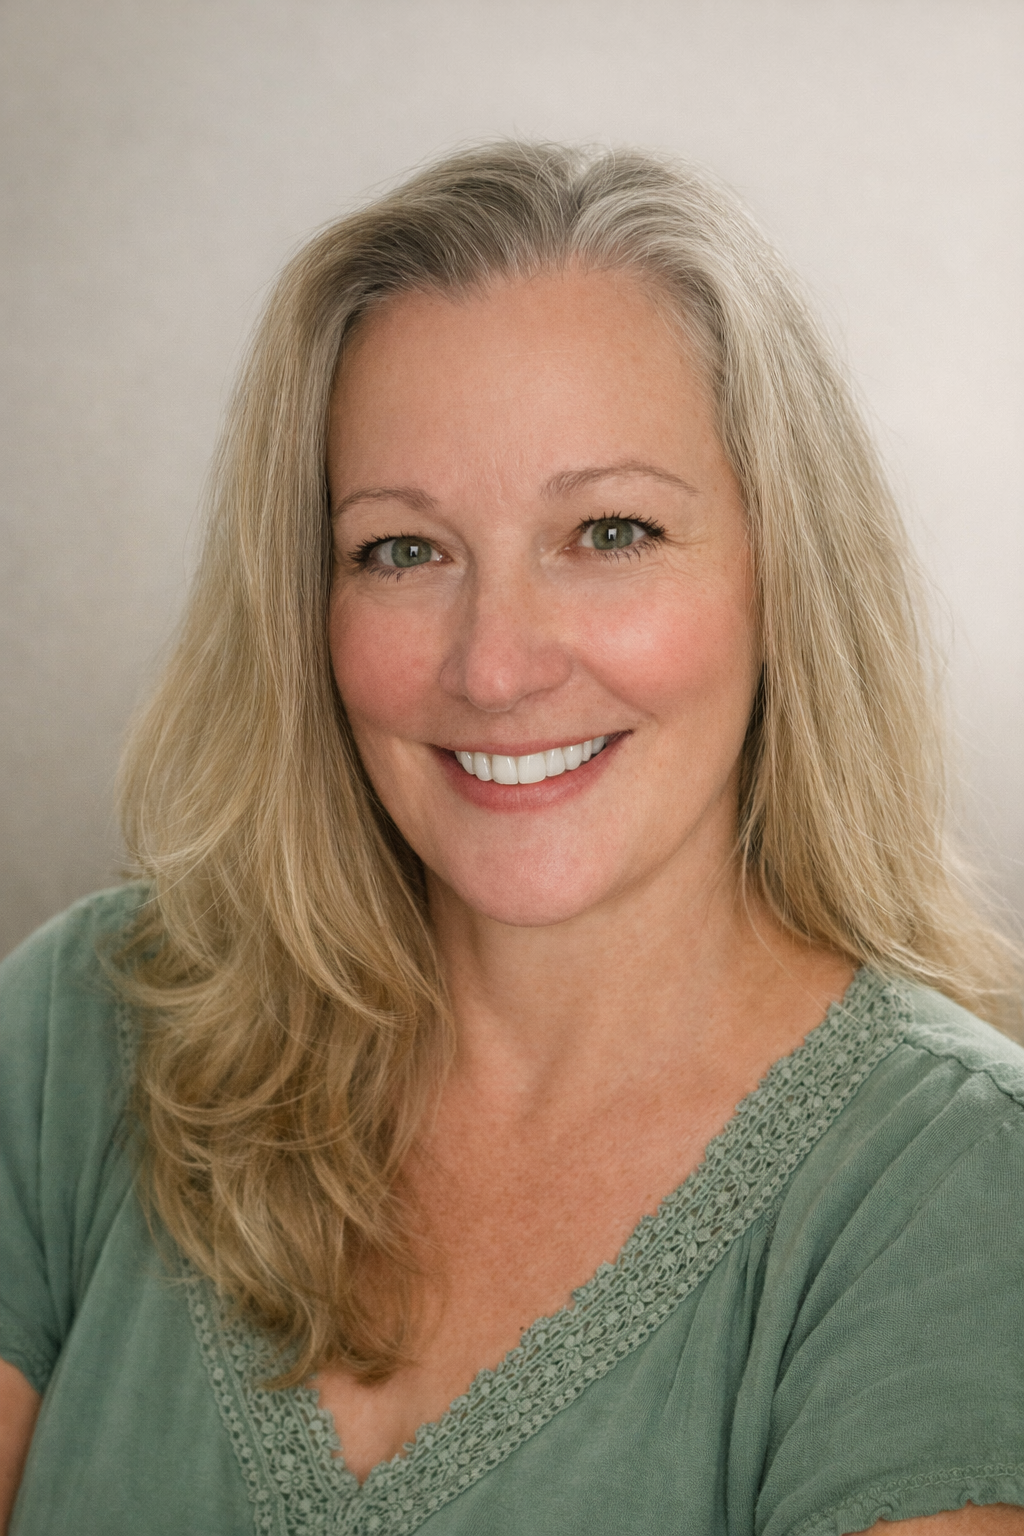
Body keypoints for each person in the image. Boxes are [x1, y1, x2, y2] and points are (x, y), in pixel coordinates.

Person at [1, 142, 1021, 1536]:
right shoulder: (85, 1029)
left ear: (783, 572)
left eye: (609, 529)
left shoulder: (954, 1192)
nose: (493, 666)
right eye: (401, 550)